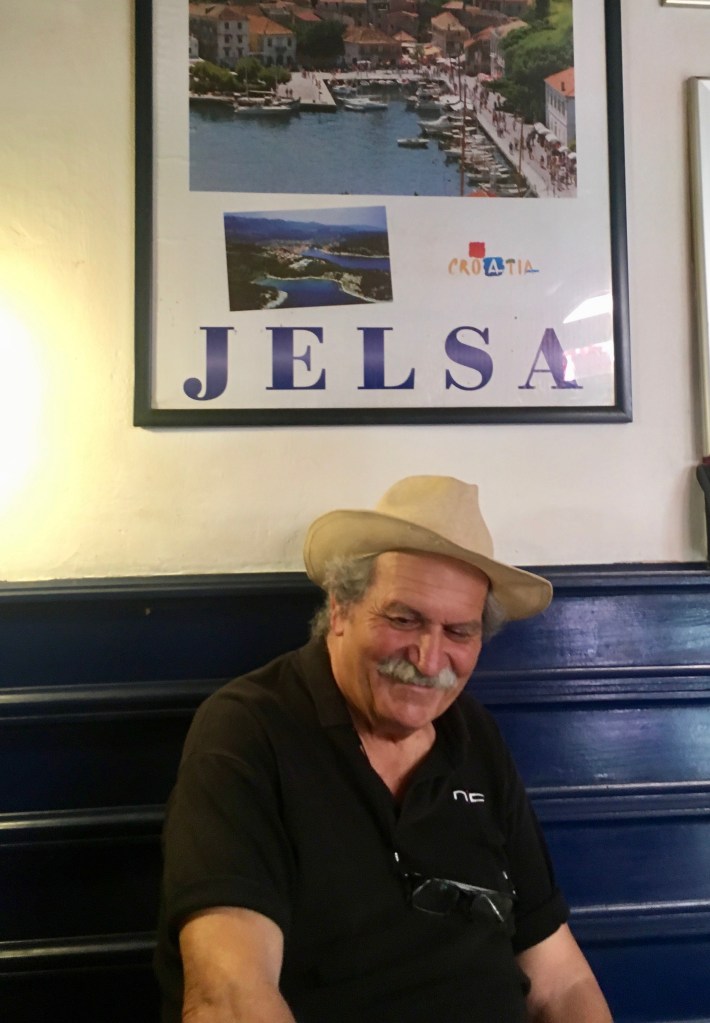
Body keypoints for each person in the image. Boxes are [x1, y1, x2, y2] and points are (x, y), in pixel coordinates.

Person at [155, 476, 613, 1023]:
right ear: (340, 609)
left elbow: (562, 982)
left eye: (459, 632)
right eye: (403, 619)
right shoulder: (248, 731)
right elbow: (229, 997)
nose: (429, 659)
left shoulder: (475, 736)